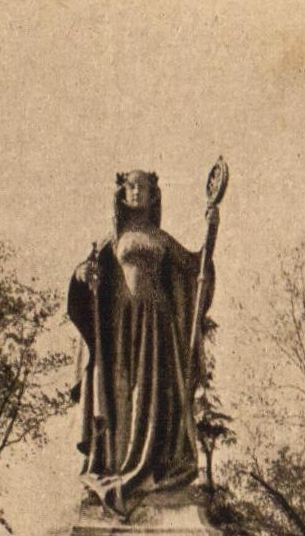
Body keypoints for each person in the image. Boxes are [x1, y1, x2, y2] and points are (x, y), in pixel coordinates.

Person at [67, 169, 215, 509]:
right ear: (123, 193)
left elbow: (194, 267)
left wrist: (211, 229)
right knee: (120, 393)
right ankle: (114, 465)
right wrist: (81, 273)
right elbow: (87, 269)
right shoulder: (114, 237)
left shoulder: (161, 239)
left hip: (156, 324)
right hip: (121, 325)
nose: (136, 192)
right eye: (131, 186)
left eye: (142, 187)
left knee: (152, 391)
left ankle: (150, 465)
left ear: (152, 194)